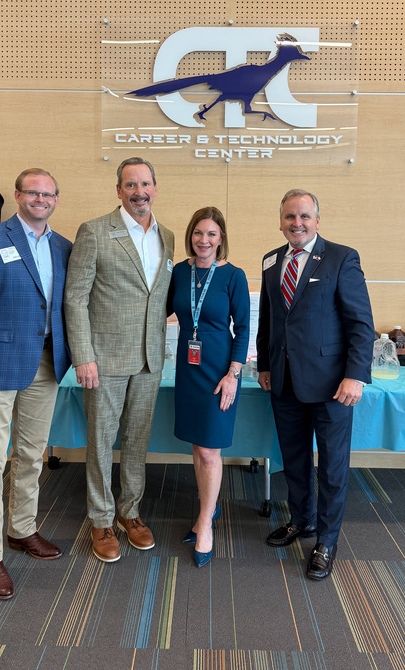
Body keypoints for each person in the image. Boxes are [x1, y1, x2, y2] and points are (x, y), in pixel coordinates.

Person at [0, 168, 72, 600]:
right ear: (18, 195)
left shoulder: (63, 247)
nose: (40, 199)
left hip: (46, 363)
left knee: (31, 456)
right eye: (32, 192)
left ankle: (22, 530)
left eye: (48, 194)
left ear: (57, 199)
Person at [256, 189, 374, 580]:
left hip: (332, 386)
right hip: (284, 382)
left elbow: (361, 324)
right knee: (294, 459)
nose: (297, 223)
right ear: (280, 221)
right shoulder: (271, 261)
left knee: (333, 466)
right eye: (290, 217)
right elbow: (269, 320)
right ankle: (301, 520)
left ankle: (326, 539)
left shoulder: (342, 257)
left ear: (317, 221)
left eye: (305, 216)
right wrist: (264, 364)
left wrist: (356, 375)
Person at [64, 157, 175, 563]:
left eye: (145, 184)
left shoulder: (168, 235)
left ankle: (130, 512)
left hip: (149, 358)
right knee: (100, 442)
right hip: (104, 359)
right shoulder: (94, 232)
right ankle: (100, 518)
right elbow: (75, 299)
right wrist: (84, 356)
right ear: (118, 191)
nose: (139, 192)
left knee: (136, 441)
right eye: (130, 185)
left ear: (155, 188)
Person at [168, 207, 250, 568]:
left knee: (208, 452)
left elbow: (244, 329)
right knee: (198, 447)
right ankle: (208, 509)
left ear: (221, 239)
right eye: (199, 233)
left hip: (220, 370)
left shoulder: (233, 275)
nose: (204, 240)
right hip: (188, 368)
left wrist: (233, 374)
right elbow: (161, 310)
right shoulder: (179, 272)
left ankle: (205, 523)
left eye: (212, 234)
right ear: (191, 235)